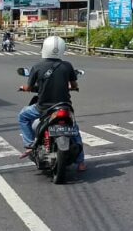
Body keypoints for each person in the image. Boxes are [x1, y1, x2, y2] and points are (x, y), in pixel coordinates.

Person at [18, 36, 86, 171]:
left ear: (45, 48)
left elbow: (30, 87)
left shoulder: (37, 67)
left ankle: (30, 144)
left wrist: (23, 88)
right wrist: (72, 87)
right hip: (64, 106)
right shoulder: (67, 66)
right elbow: (74, 84)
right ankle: (81, 162)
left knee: (23, 116)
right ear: (62, 49)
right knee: (74, 130)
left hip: (43, 108)